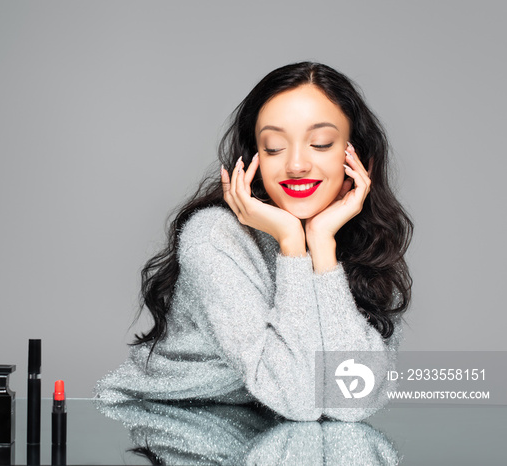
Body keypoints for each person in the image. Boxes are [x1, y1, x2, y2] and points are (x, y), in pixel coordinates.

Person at [94, 62, 412, 422]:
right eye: (274, 148)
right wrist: (292, 244)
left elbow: (352, 402)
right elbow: (301, 400)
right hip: (167, 425)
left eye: (320, 143)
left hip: (268, 434)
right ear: (253, 161)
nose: (295, 165)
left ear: (358, 158)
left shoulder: (364, 242)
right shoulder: (214, 236)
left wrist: (322, 247)